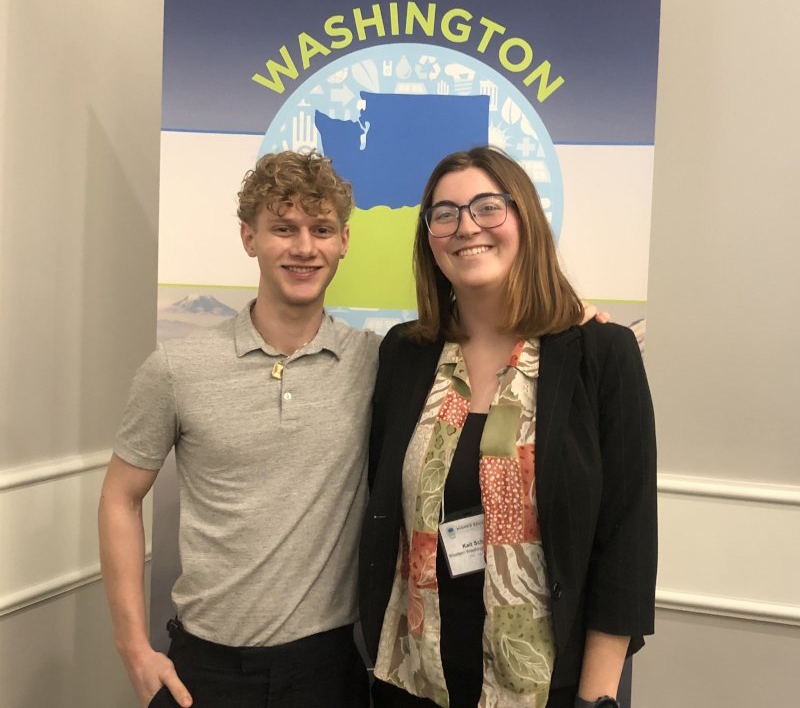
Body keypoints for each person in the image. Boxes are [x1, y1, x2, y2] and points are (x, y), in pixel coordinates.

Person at [359, 146, 657, 708]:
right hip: (415, 679)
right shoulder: (406, 353)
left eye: (487, 207)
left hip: (551, 688)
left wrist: (597, 697)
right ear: (429, 238)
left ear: (525, 220)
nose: (466, 225)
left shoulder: (600, 353)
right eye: (444, 214)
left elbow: (629, 539)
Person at [98, 150, 376, 708]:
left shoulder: (376, 363)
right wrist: (132, 645)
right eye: (283, 228)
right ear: (249, 238)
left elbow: (480, 340)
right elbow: (119, 499)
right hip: (207, 670)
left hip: (329, 670)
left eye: (321, 229)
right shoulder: (177, 368)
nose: (303, 247)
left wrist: (571, 320)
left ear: (344, 240)